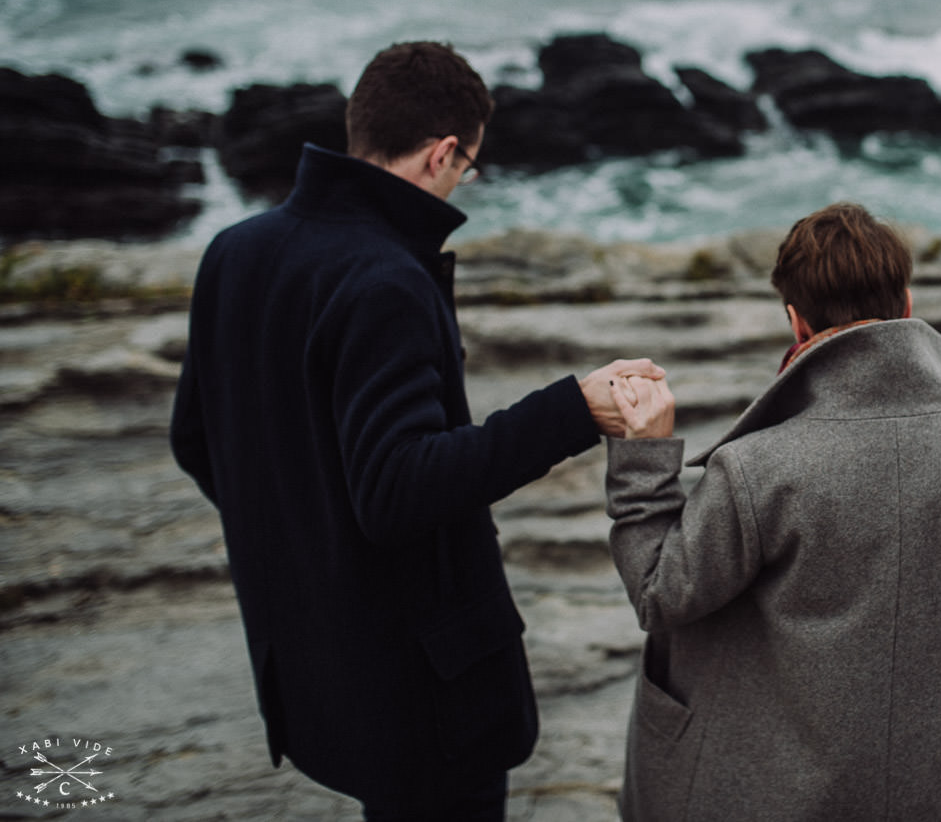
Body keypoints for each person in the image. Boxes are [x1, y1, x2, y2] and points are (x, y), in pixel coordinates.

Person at [170, 41, 663, 821]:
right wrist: (574, 408)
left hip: (314, 663)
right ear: (442, 153)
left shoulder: (233, 252)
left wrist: (311, 550)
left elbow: (195, 441)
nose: (464, 179)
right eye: (469, 166)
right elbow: (398, 487)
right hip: (421, 691)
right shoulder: (385, 280)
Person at [604, 202, 941, 821]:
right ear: (906, 304)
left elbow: (661, 594)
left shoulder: (755, 468)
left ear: (795, 323)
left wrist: (644, 458)